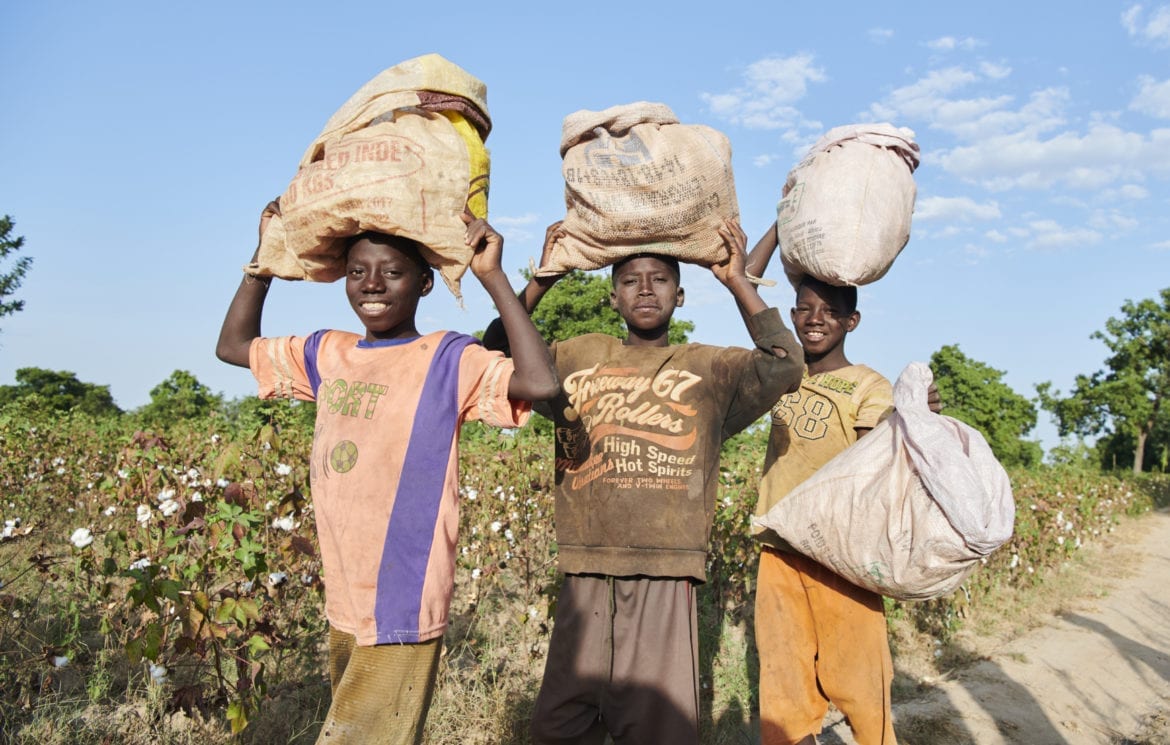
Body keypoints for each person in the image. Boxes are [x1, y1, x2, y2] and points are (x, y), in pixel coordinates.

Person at [216, 202, 559, 745]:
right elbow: (232, 347)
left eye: (392, 272)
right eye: (357, 272)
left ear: (425, 283)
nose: (371, 284)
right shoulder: (328, 351)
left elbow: (540, 386)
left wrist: (492, 277)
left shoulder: (449, 357)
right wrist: (262, 262)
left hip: (402, 591)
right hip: (344, 594)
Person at [483, 219, 804, 744]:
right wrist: (543, 279)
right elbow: (493, 358)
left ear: (679, 297)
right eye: (631, 280)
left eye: (659, 280)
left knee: (658, 728)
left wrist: (737, 281)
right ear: (612, 297)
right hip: (584, 566)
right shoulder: (577, 355)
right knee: (561, 724)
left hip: (666, 568)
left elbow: (785, 365)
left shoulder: (709, 368)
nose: (646, 289)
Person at [745, 224, 939, 745]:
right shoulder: (781, 368)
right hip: (779, 546)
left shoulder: (868, 385)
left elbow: (879, 457)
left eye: (830, 312)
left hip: (842, 553)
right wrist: (786, 223)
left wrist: (912, 420)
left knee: (859, 678)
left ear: (852, 320)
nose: (815, 321)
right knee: (784, 683)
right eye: (805, 309)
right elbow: (743, 279)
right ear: (790, 316)